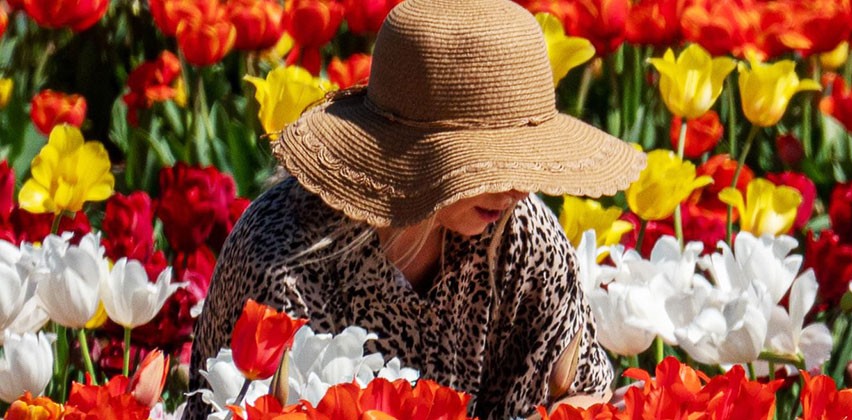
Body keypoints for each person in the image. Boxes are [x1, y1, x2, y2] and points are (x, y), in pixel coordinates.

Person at [183, 0, 646, 417]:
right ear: (410, 154)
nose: (518, 190)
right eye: (492, 166)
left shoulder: (525, 239)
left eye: (525, 160)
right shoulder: (285, 256)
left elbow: (584, 394)